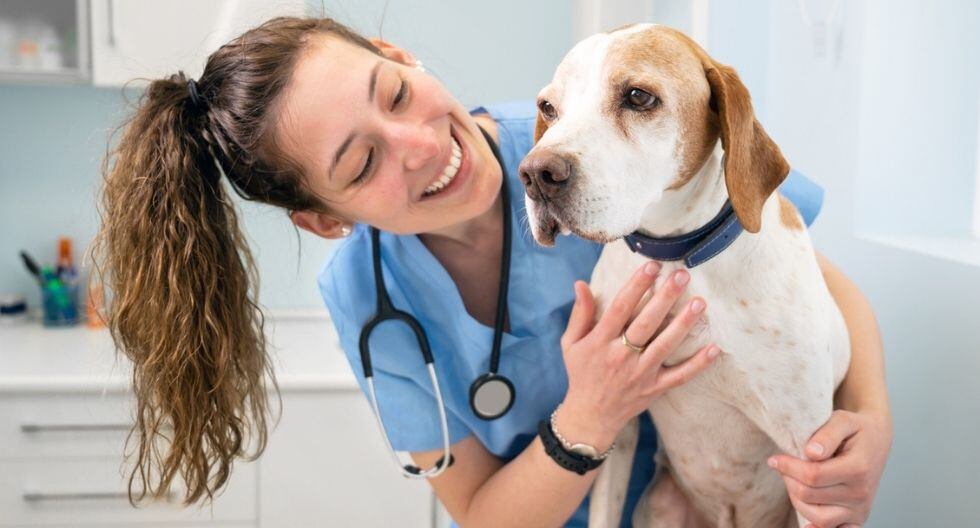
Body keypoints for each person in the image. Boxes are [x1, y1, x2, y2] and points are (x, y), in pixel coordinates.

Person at [94, 16, 892, 527]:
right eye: (364, 159)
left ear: (401, 55)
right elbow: (479, 514)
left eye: (396, 92)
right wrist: (592, 413)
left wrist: (872, 421)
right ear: (325, 220)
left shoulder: (563, 144)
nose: (420, 144)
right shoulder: (370, 302)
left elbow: (804, 284)